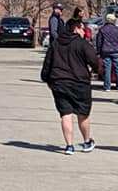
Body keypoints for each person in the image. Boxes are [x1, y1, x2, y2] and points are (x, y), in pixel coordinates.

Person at [40, 17, 100, 155]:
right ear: (76, 29)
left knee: (65, 114)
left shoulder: (56, 43)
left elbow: (48, 62)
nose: (84, 31)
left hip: (59, 82)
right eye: (82, 28)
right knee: (83, 113)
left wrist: (46, 78)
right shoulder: (82, 44)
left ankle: (69, 146)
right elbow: (94, 60)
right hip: (80, 83)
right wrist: (96, 70)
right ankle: (86, 142)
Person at [96, 13, 118, 92]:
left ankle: (107, 87)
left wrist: (98, 52)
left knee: (107, 69)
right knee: (117, 69)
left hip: (105, 51)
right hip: (116, 51)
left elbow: (99, 42)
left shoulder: (102, 29)